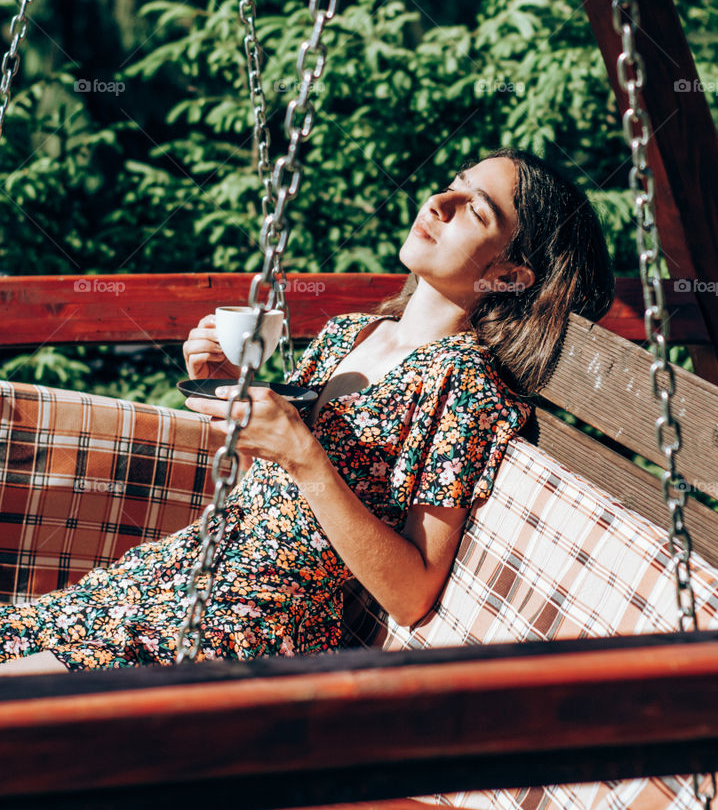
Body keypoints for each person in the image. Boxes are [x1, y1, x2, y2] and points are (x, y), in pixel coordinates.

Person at [0, 147, 614, 675]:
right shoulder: (351, 332)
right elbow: (275, 489)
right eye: (451, 184)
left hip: (245, 623)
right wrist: (223, 391)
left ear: (508, 276)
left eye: (474, 209)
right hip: (169, 578)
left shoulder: (466, 387)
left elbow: (412, 593)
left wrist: (303, 455)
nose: (437, 202)